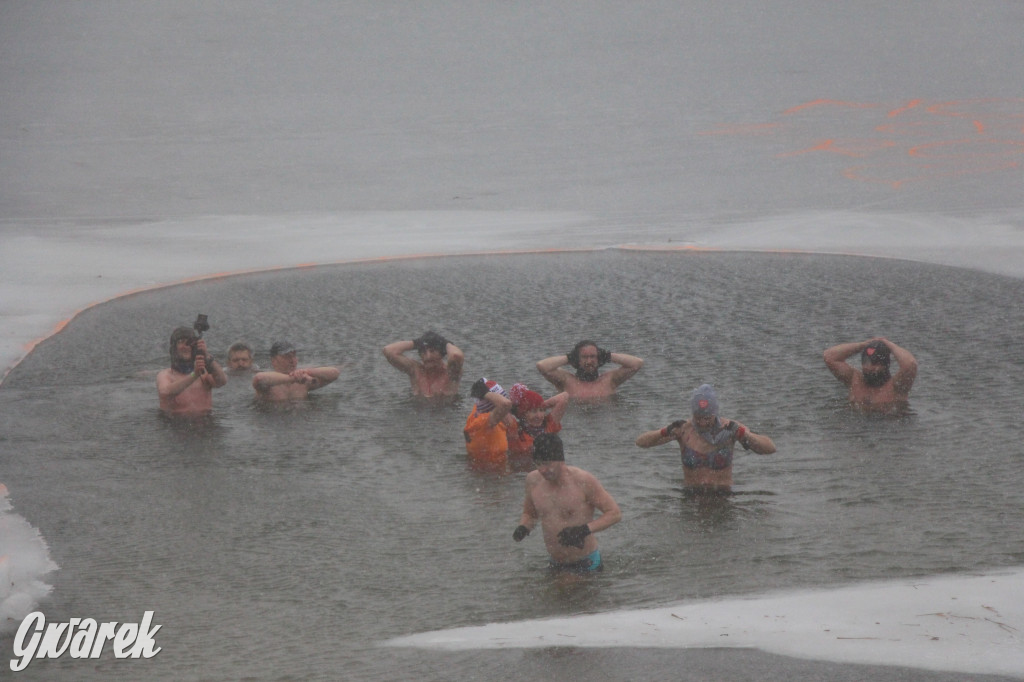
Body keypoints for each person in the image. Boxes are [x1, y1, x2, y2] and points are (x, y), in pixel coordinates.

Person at [512, 433, 621, 573]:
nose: (542, 470)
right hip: (555, 563)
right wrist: (524, 527)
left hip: (586, 562)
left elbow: (614, 513)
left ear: (561, 460)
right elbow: (530, 514)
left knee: (563, 590)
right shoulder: (533, 481)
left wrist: (584, 530)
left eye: (547, 463)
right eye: (538, 463)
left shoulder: (583, 481)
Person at [635, 384, 775, 491]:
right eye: (698, 418)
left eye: (707, 418)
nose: (702, 422)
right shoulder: (683, 430)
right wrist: (664, 431)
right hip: (691, 494)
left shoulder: (731, 428)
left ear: (715, 413)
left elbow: (770, 448)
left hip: (723, 494)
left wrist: (745, 434)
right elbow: (641, 442)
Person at [823, 337, 918, 413]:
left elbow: (910, 363)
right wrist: (863, 345)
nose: (870, 367)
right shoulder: (854, 380)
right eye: (866, 362)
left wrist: (889, 345)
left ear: (885, 365)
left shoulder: (897, 386)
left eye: (875, 363)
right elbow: (829, 356)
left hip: (887, 427)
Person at [536, 340, 643, 400]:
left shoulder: (610, 380)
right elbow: (542, 366)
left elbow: (637, 363)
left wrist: (609, 356)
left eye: (593, 357)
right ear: (577, 359)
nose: (589, 361)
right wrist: (568, 358)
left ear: (599, 358)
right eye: (584, 357)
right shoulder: (566, 380)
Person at [156, 326, 228, 416]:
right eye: (181, 342)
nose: (186, 346)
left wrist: (207, 357)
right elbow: (165, 392)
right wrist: (194, 375)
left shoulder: (203, 374)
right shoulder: (165, 375)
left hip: (205, 423)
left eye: (189, 342)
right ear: (174, 348)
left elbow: (222, 381)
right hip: (175, 424)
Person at [382, 331, 464, 399]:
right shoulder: (415, 371)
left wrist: (446, 343)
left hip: (444, 413)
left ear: (441, 354)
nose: (428, 356)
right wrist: (416, 343)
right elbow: (388, 350)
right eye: (424, 352)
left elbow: (456, 355)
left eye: (432, 351)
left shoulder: (451, 373)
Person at [252, 341, 340, 401]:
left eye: (294, 356)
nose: (292, 360)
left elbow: (335, 373)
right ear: (274, 360)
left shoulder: (303, 381)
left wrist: (308, 371)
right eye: (286, 356)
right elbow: (259, 378)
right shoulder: (268, 385)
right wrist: (293, 378)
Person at [506, 384, 568, 466]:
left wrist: (539, 404)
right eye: (533, 411)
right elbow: (502, 407)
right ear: (523, 414)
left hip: (546, 472)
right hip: (521, 473)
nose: (539, 416)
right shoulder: (516, 431)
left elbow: (564, 397)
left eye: (542, 410)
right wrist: (516, 409)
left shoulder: (549, 425)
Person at [463, 378, 514, 470]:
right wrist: (485, 393)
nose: (508, 414)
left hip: (493, 470)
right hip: (488, 475)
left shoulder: (479, 411)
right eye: (505, 412)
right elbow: (505, 404)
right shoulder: (481, 422)